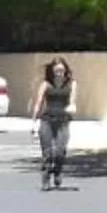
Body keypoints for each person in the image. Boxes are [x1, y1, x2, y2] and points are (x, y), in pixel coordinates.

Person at [35, 59, 75, 189]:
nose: (59, 73)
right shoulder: (46, 84)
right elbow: (39, 103)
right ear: (52, 71)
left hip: (63, 121)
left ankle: (57, 171)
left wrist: (72, 107)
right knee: (47, 152)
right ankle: (46, 178)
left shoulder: (71, 84)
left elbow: (72, 101)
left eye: (62, 70)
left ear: (66, 71)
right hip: (47, 120)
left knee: (60, 151)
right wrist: (34, 121)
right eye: (57, 70)